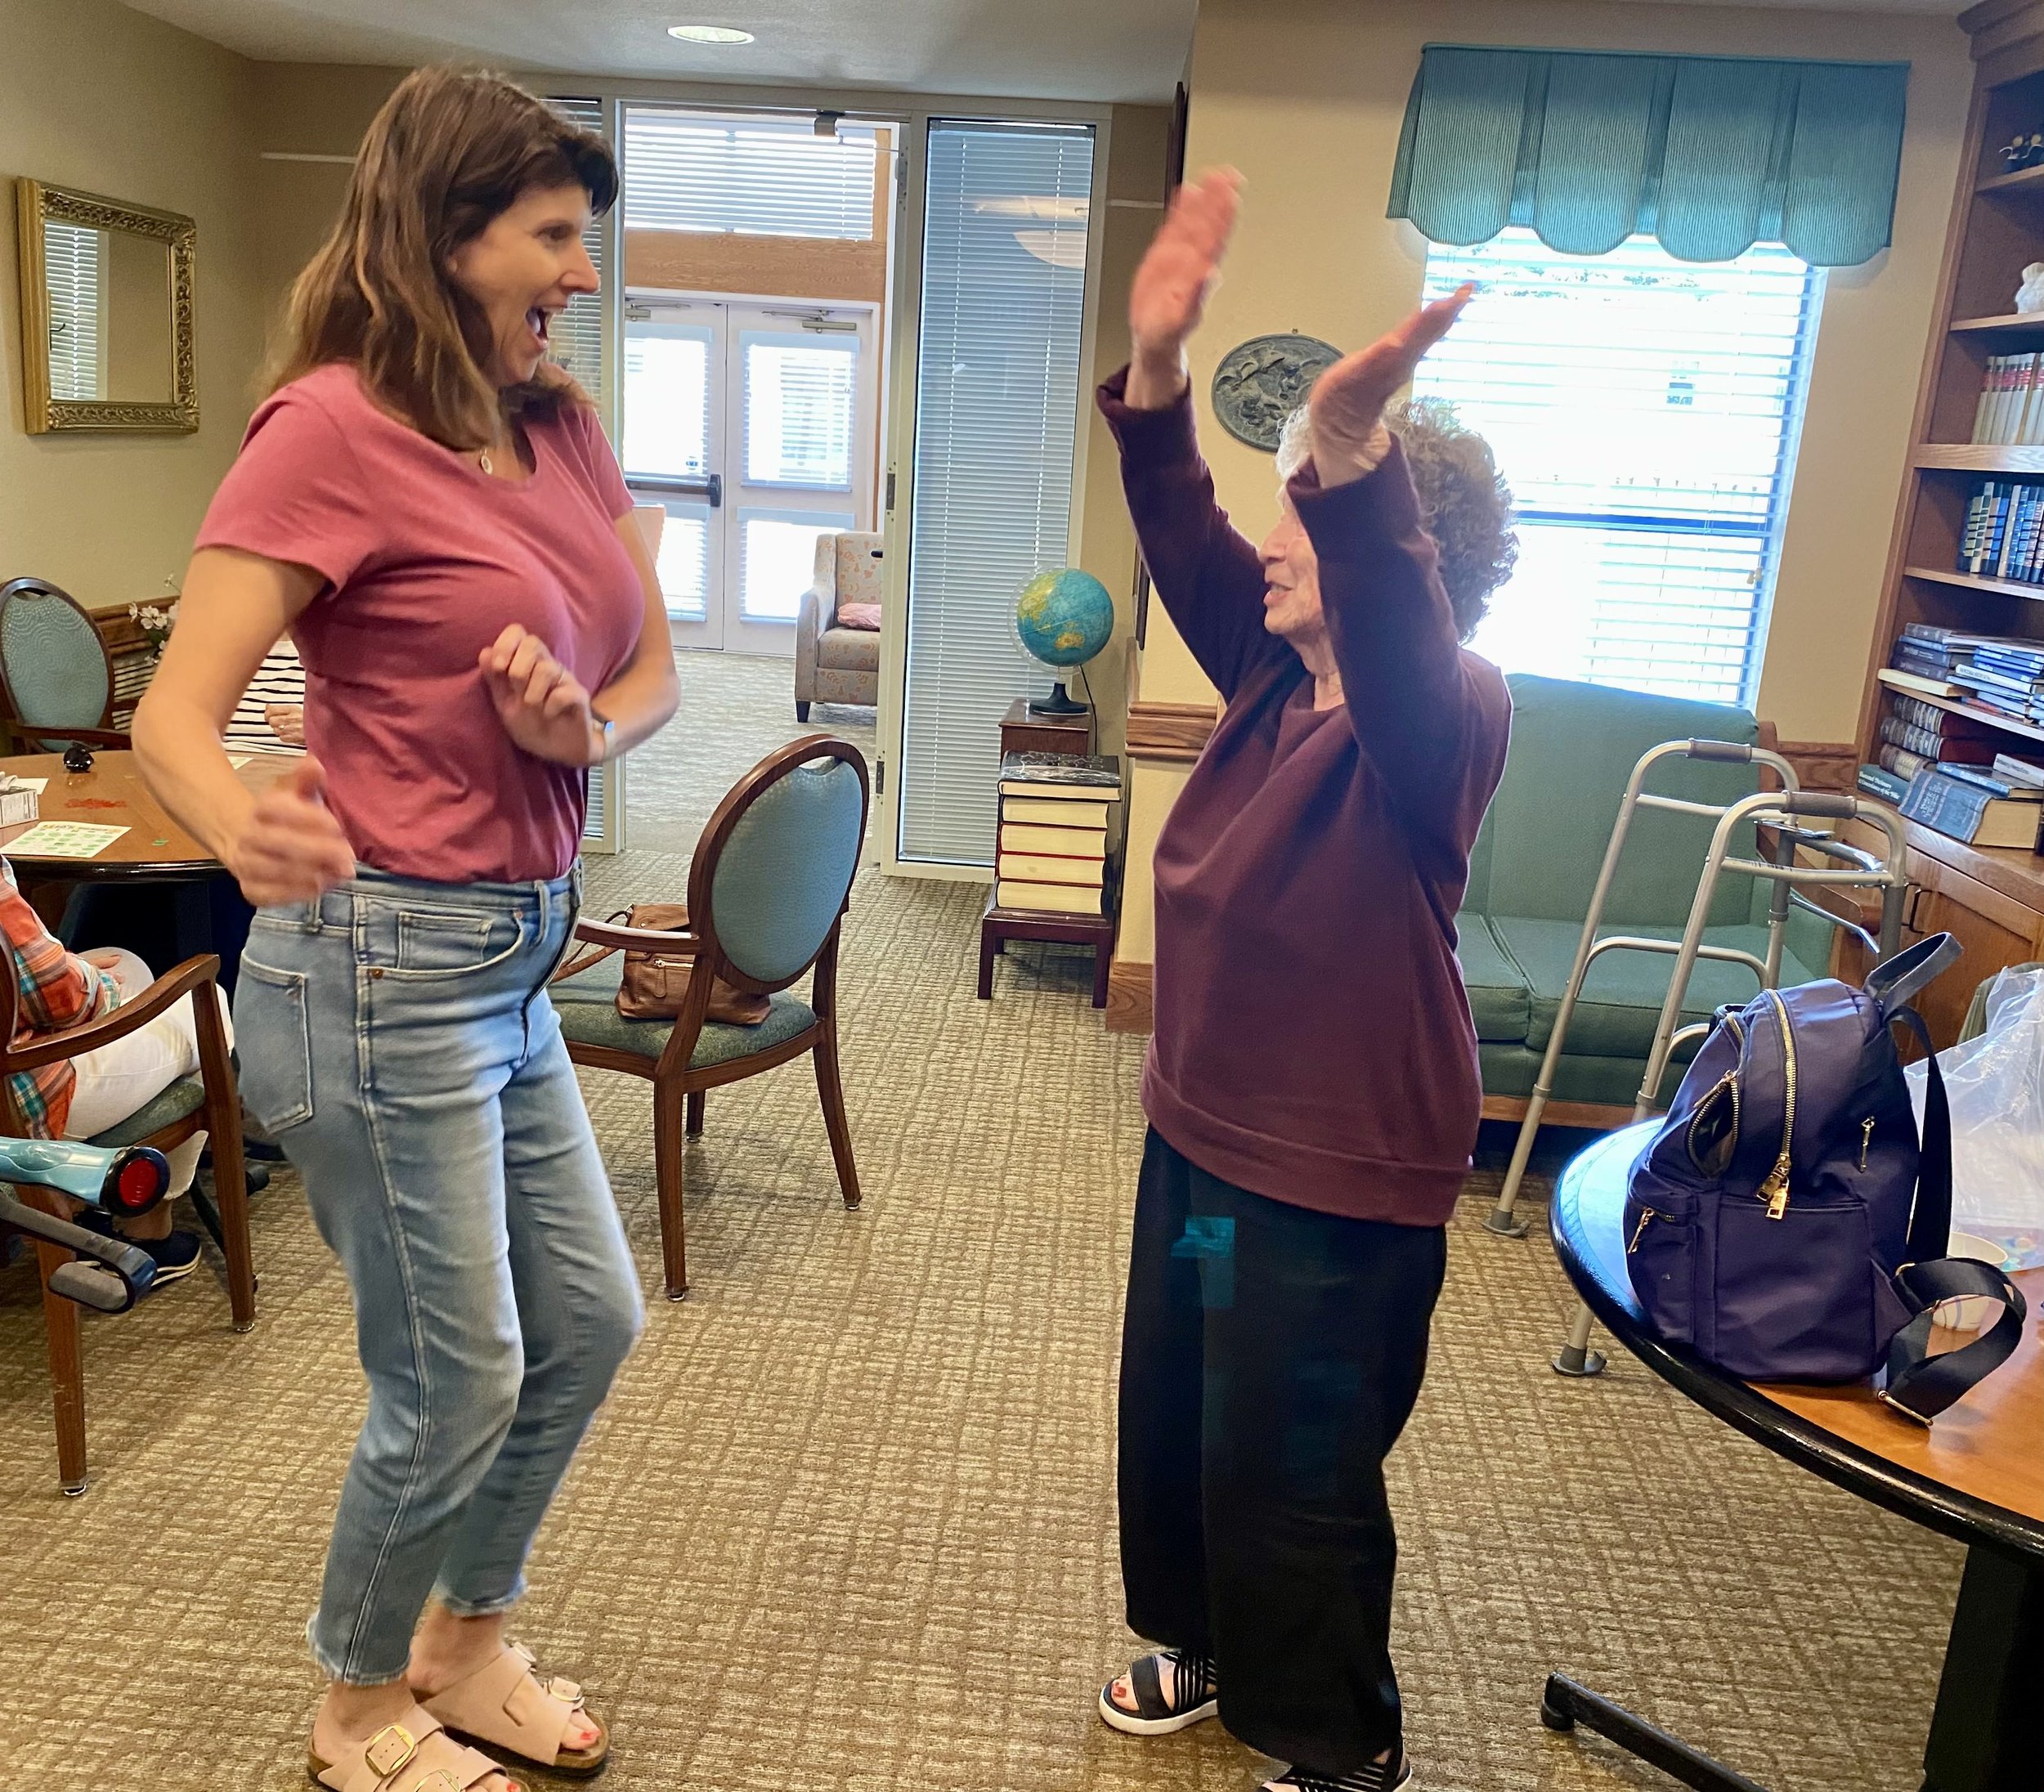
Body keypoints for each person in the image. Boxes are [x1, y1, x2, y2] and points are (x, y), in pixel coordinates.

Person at [132, 67, 680, 1792]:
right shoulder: (327, 429)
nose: (577, 277)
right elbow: (174, 717)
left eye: (582, 243)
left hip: (516, 952)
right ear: (443, 239)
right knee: (452, 1377)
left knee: (588, 1323)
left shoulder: (561, 428)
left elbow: (646, 669)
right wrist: (248, 823)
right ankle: (358, 1702)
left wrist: (573, 731)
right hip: (376, 963)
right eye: (548, 241)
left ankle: (466, 1639)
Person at [1092, 169, 1518, 1792]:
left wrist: (1349, 466)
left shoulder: (1445, 711)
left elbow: (1403, 642)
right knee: (1180, 1415)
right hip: (1202, 1139)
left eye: (1306, 520)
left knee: (1298, 1464)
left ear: (1389, 553)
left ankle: (1338, 1745)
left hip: (1337, 1186)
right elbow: (1178, 523)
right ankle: (1203, 1641)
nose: (1270, 546)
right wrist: (1154, 368)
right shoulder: (1274, 670)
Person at [0, 857, 225, 1281]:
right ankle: (145, 1228)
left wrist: (82, 974)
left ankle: (103, 1198)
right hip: (21, 1104)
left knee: (126, 964)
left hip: (14, 1049)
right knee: (207, 1008)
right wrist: (99, 990)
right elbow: (56, 994)